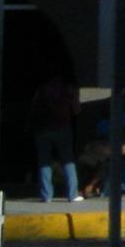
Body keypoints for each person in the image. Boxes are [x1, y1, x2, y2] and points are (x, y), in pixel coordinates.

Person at [28, 72, 80, 203]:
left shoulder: (42, 89)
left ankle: (46, 195)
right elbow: (76, 110)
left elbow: (34, 107)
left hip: (42, 128)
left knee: (44, 162)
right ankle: (72, 194)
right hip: (62, 127)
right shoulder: (68, 88)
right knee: (68, 160)